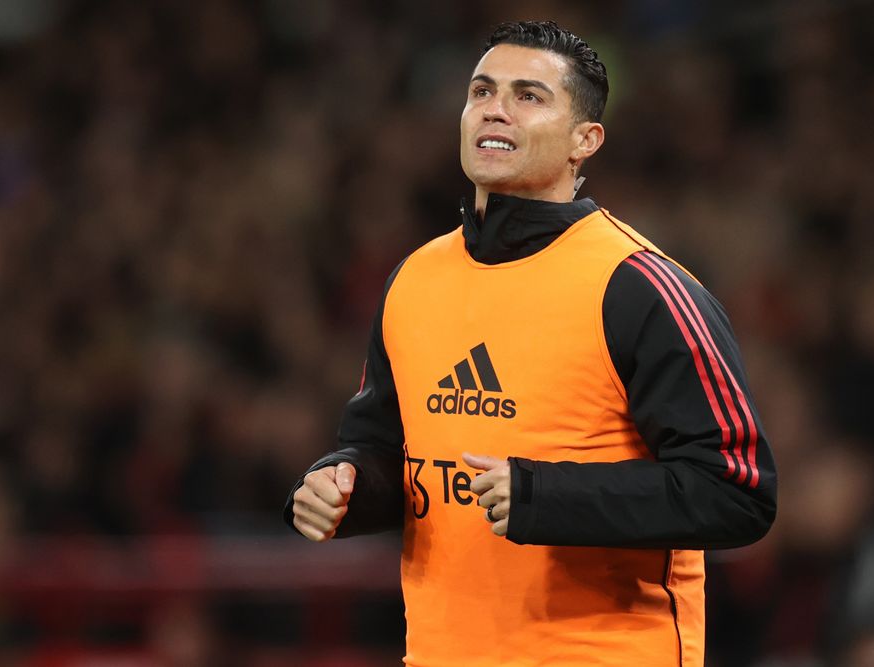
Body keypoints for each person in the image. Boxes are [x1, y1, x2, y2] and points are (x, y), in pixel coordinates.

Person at [285, 20, 777, 666]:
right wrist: (345, 485)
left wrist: (546, 497)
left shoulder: (638, 287)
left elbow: (737, 491)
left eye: (528, 96)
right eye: (482, 90)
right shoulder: (414, 279)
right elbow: (386, 451)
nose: (495, 107)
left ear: (585, 140)